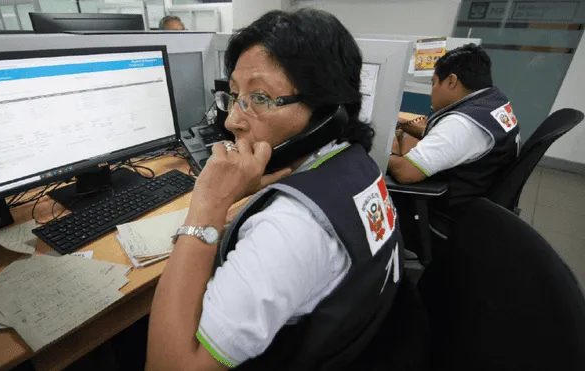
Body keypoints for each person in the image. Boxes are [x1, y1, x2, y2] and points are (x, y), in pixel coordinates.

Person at [146, 9, 404, 371]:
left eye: (261, 98)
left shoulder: (289, 227)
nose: (233, 121)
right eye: (235, 95)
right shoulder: (355, 164)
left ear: (326, 109)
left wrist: (208, 205)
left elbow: (167, 367)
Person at [388, 43, 520, 239]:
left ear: (451, 81)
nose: (431, 91)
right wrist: (402, 124)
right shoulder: (492, 101)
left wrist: (387, 147)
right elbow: (449, 139)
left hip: (446, 214)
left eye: (433, 83)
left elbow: (405, 172)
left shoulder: (462, 124)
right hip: (479, 197)